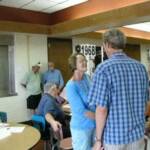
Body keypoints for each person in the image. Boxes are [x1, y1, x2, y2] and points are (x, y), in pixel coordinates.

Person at [88, 29, 149, 150]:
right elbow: (146, 103)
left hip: (114, 138)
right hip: (137, 135)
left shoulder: (103, 69)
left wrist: (98, 140)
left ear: (107, 45)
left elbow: (101, 109)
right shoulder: (141, 67)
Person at [65, 52, 95, 150]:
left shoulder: (87, 77)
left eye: (85, 60)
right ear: (74, 65)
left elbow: (94, 96)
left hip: (94, 124)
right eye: (81, 61)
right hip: (81, 128)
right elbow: (82, 112)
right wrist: (101, 118)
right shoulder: (71, 86)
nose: (85, 62)